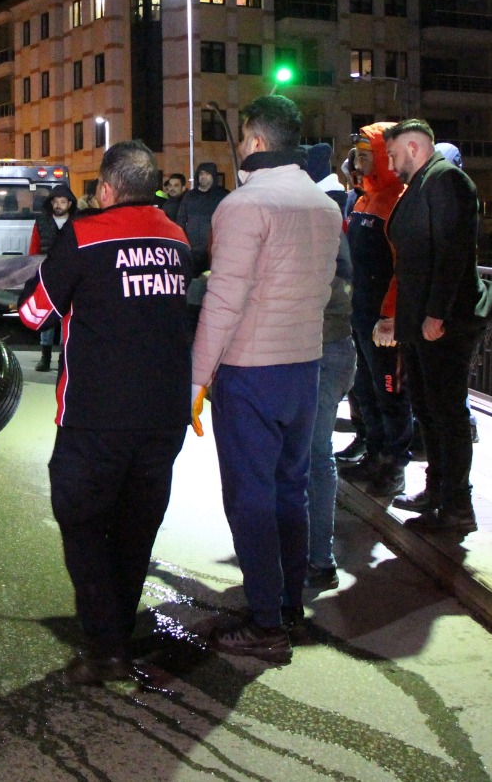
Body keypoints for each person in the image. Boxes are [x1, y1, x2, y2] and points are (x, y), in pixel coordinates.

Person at [17, 141, 193, 685]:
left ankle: (106, 649)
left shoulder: (86, 235)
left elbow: (33, 313)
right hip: (164, 416)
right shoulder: (177, 237)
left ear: (109, 189)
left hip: (95, 416)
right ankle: (117, 628)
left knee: (85, 524)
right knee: (137, 528)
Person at [192, 95, 341, 664]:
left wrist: (197, 379)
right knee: (289, 489)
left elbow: (224, 301)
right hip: (303, 367)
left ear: (253, 141)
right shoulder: (324, 205)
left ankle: (264, 622)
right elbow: (324, 289)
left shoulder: (244, 205)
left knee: (249, 496)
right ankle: (286, 604)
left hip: (249, 371)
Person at [373, 120, 484, 532]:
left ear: (415, 147)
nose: (389, 161)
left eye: (393, 153)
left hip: (442, 325)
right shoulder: (423, 183)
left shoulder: (446, 181)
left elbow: (451, 252)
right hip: (421, 324)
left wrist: (436, 313)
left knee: (447, 412)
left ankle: (456, 506)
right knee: (428, 408)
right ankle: (437, 491)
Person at [337, 124, 412, 494]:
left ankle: (395, 464)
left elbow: (402, 265)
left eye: (366, 155)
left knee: (390, 393)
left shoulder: (396, 200)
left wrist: (391, 315)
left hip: (383, 319)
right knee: (366, 389)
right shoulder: (364, 198)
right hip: (360, 313)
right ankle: (375, 452)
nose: (358, 162)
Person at [302, 142, 356, 591]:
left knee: (313, 455)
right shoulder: (325, 214)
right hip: (324, 347)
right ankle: (310, 556)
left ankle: (317, 558)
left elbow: (340, 283)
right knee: (311, 455)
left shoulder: (319, 216)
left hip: (321, 348)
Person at [28, 184, 77, 372]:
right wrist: (34, 273)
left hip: (71, 275)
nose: (58, 205)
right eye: (55, 201)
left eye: (62, 202)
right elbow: (34, 248)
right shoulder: (41, 221)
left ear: (70, 203)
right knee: (47, 318)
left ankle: (63, 359)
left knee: (67, 318)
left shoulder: (76, 222)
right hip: (47, 275)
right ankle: (45, 358)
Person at [175, 161, 229, 272]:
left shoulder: (222, 195)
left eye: (207, 174)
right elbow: (181, 219)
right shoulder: (190, 196)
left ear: (213, 175)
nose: (203, 177)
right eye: (201, 174)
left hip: (213, 249)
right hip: (192, 249)